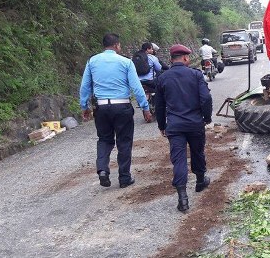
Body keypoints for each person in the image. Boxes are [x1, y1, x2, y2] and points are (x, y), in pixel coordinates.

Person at [79, 33, 153, 189]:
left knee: (104, 139)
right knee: (124, 141)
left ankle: (103, 171)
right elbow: (137, 87)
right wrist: (145, 108)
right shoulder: (125, 62)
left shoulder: (92, 61)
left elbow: (85, 86)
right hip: (122, 106)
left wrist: (84, 106)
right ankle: (124, 177)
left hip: (102, 107)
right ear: (116, 45)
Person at [155, 44, 213, 212]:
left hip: (174, 126)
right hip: (195, 123)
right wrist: (206, 117)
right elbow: (206, 98)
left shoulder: (163, 78)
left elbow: (159, 106)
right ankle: (201, 181)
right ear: (186, 58)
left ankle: (183, 198)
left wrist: (162, 125)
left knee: (178, 159)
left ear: (171, 59)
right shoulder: (195, 75)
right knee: (197, 152)